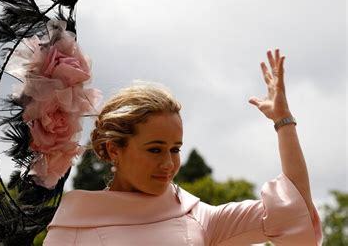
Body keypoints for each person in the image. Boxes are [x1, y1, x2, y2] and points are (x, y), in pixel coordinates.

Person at [43, 49, 323, 245]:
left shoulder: (199, 217)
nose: (168, 164)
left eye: (175, 149)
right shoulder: (74, 225)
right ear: (115, 149)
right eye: (155, 149)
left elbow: (292, 212)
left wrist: (283, 122)